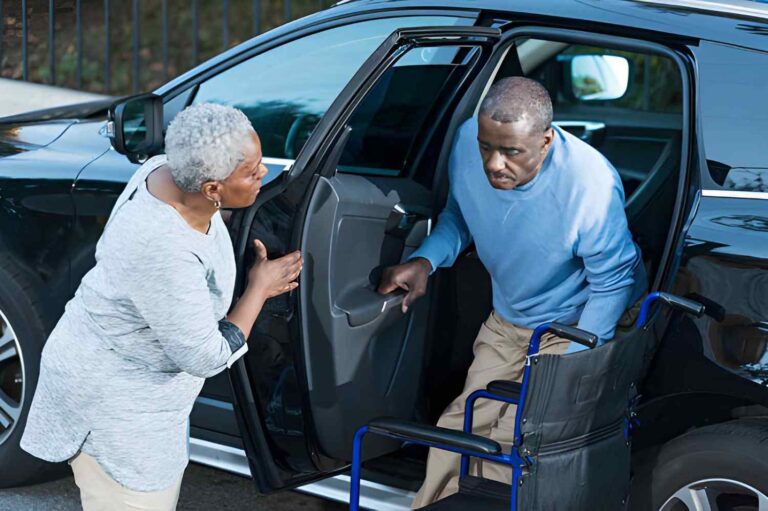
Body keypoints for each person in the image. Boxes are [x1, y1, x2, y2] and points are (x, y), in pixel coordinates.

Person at [377, 77, 647, 508]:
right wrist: (425, 261)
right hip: (511, 320)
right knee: (456, 431)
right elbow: (460, 215)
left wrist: (571, 372)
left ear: (546, 141)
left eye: (512, 152)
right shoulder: (469, 140)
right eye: (488, 147)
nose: (494, 164)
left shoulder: (588, 185)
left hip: (577, 322)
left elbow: (612, 281)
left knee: (519, 439)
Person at [20, 103, 302, 510]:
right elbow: (204, 355)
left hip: (147, 395)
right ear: (211, 189)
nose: (264, 173)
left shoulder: (167, 168)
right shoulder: (160, 244)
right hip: (115, 408)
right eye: (251, 169)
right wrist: (258, 289)